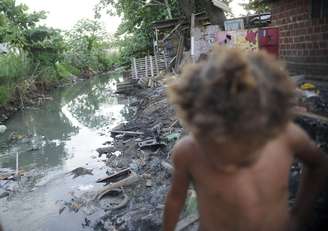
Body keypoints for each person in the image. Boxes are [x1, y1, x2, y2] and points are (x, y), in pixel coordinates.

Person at [163, 47, 328, 231]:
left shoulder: (285, 135)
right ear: (198, 129)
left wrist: (299, 215)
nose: (230, 166)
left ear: (268, 129)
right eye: (217, 149)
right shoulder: (187, 151)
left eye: (249, 151)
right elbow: (176, 198)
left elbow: (318, 163)